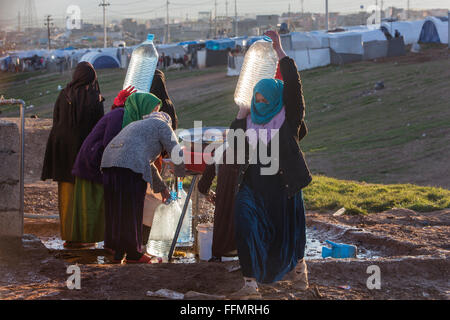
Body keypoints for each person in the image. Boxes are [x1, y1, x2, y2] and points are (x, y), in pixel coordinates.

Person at [228, 30, 312, 299]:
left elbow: (294, 87)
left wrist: (279, 51)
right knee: (244, 221)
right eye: (257, 97)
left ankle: (300, 271)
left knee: (290, 234)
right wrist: (242, 112)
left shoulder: (289, 120)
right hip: (253, 188)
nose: (260, 102)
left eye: (264, 98)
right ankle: (250, 285)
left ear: (275, 98)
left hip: (283, 188)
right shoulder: (248, 121)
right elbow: (235, 144)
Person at [101, 106, 186, 264]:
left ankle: (119, 251)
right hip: (129, 165)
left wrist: (163, 189)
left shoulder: (136, 125)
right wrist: (181, 174)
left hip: (108, 164)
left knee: (118, 209)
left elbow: (149, 165)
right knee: (132, 209)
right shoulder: (162, 125)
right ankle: (134, 253)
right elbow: (176, 150)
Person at [41, 61, 105, 248]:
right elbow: (99, 128)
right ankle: (86, 237)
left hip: (62, 152)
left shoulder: (64, 95)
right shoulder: (95, 97)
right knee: (85, 195)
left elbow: (56, 120)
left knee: (67, 196)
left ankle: (70, 236)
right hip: (85, 153)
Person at [70, 86, 137, 248]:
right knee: (92, 203)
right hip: (92, 161)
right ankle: (84, 239)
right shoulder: (120, 115)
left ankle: (84, 238)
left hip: (92, 159)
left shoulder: (121, 114)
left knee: (92, 202)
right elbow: (110, 142)